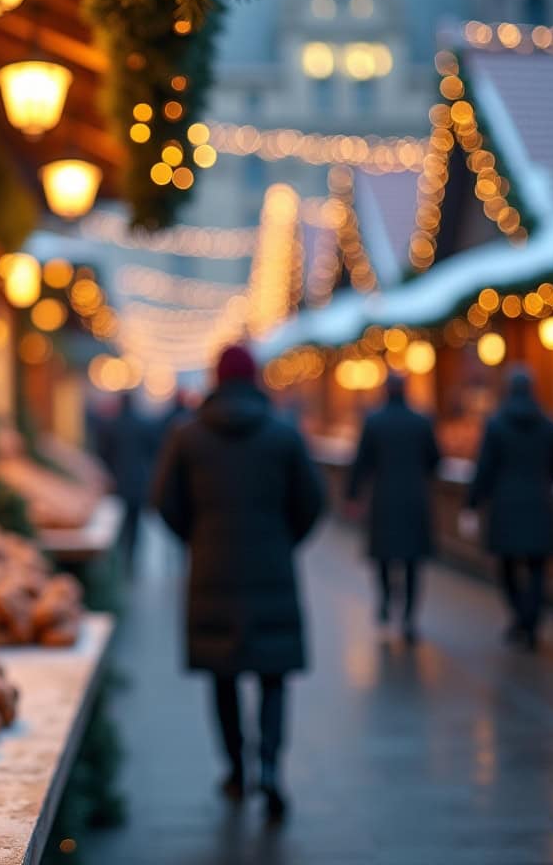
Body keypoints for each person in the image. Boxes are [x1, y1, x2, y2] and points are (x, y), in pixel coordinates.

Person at [152, 344, 324, 821]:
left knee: (222, 678)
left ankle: (235, 770)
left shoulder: (187, 437)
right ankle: (270, 766)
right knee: (274, 677)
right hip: (271, 568)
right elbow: (312, 501)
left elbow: (165, 502)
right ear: (255, 380)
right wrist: (283, 539)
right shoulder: (283, 436)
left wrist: (199, 539)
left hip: (213, 571)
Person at [466, 367, 553, 650]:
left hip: (505, 505)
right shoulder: (548, 424)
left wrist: (473, 502)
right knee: (537, 568)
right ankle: (531, 621)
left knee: (507, 566)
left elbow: (484, 468)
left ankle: (520, 616)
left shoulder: (496, 424)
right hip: (539, 503)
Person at [347, 372, 440, 644]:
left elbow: (361, 462)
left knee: (384, 556)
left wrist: (352, 495)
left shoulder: (374, 422)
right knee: (413, 562)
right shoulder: (421, 422)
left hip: (383, 498)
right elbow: (435, 460)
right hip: (414, 499)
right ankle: (410, 617)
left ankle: (387, 599)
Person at [96, 389, 156, 575]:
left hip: (117, 482)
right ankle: (131, 561)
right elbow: (151, 453)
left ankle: (120, 564)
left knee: (118, 528)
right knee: (135, 527)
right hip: (138, 482)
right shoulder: (143, 425)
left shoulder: (112, 425)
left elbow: (103, 454)